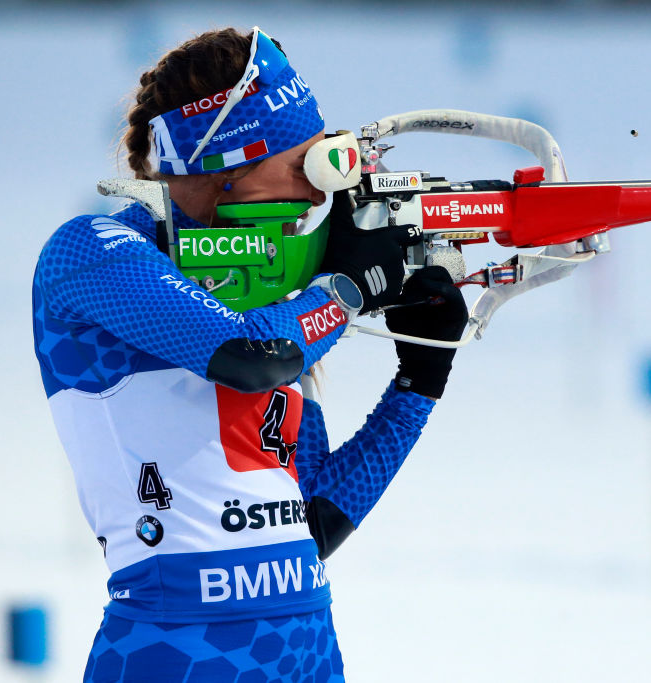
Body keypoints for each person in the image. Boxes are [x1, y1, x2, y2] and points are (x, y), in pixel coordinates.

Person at [32, 26, 468, 682]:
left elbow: (312, 522)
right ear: (229, 162)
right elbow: (246, 354)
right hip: (170, 656)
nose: (321, 192)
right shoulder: (91, 253)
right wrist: (345, 289)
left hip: (306, 655)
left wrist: (419, 381)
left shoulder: (276, 305)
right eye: (302, 165)